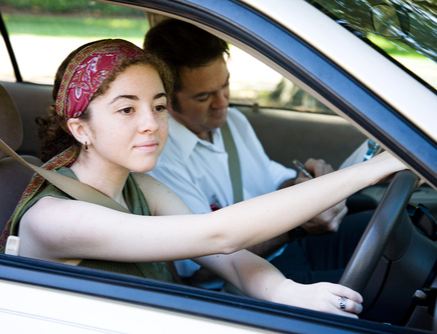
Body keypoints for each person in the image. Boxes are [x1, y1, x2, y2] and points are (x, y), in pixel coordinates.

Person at [0, 38, 407, 318]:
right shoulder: (54, 218)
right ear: (80, 129)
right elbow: (218, 235)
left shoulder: (139, 186)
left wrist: (290, 293)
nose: (151, 126)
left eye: (158, 107)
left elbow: (227, 257)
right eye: (127, 110)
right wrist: (373, 168)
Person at [143, 19, 373, 287]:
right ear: (166, 98)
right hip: (242, 283)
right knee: (382, 283)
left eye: (225, 86)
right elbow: (201, 270)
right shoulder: (161, 159)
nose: (222, 103)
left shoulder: (234, 123)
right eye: (203, 97)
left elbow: (275, 182)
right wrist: (297, 226)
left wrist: (306, 181)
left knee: (385, 232)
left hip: (289, 250)